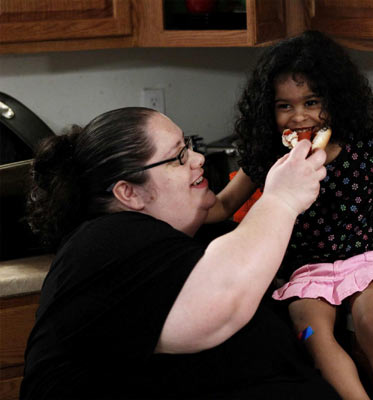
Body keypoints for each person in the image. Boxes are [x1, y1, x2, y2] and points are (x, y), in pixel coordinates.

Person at [20, 107, 344, 399]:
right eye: (178, 157)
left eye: (188, 145)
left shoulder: (181, 238)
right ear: (128, 193)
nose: (198, 158)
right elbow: (220, 304)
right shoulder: (102, 241)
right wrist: (281, 199)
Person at [207, 31, 373, 400]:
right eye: (284, 106)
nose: (300, 116)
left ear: (334, 100)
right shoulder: (266, 156)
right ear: (267, 110)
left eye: (311, 101)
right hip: (307, 269)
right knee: (311, 334)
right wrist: (169, 212)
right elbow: (224, 206)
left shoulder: (364, 146)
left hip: (371, 258)